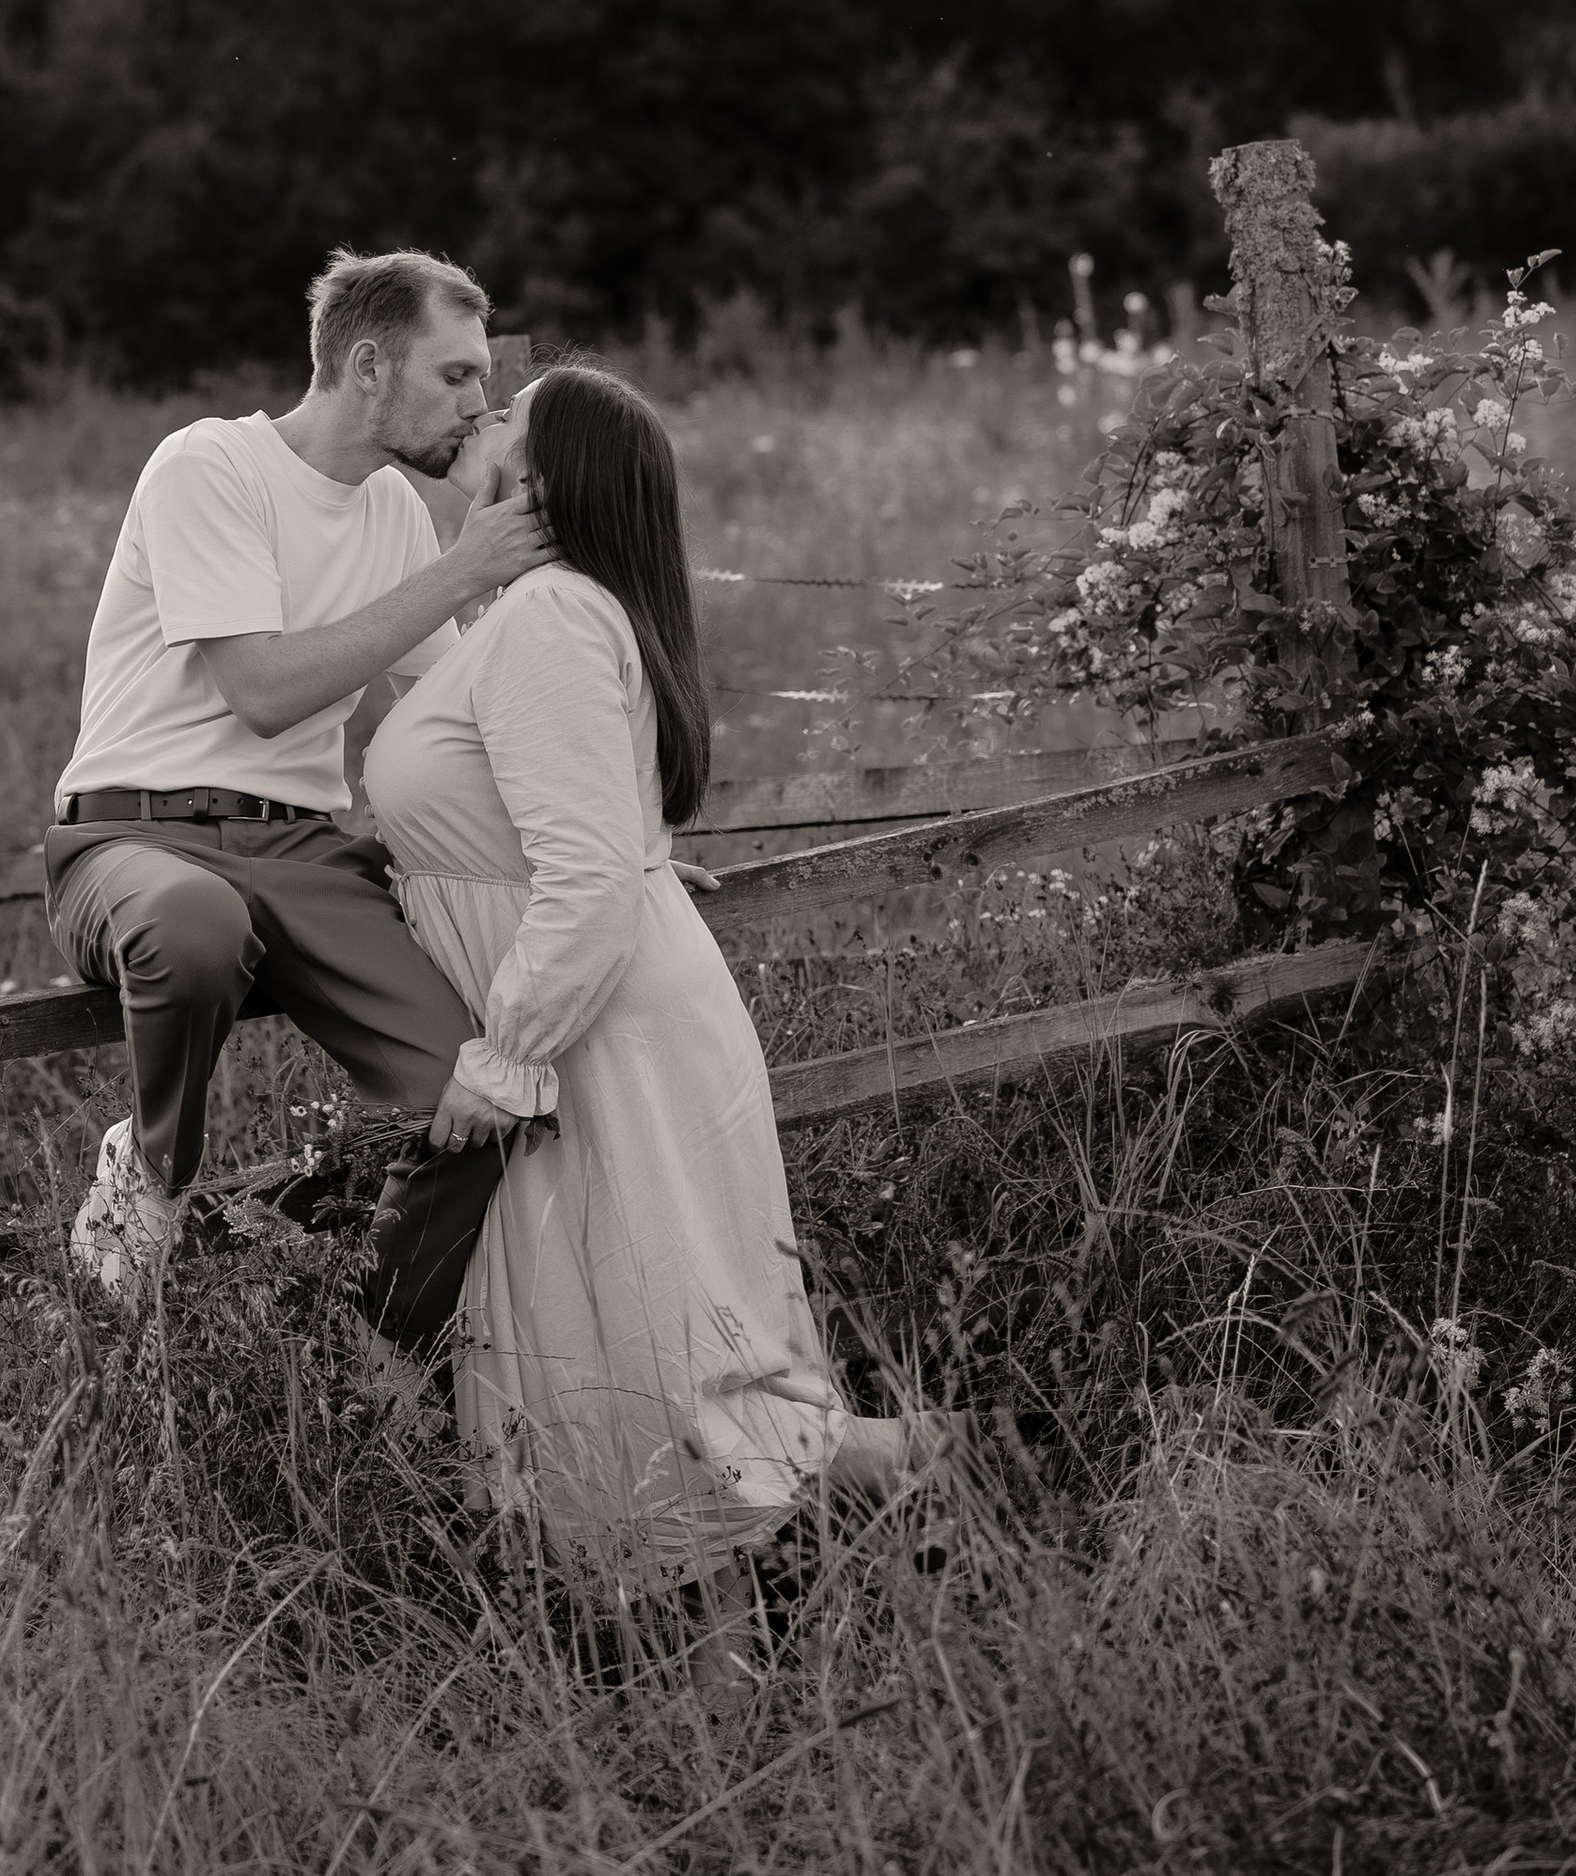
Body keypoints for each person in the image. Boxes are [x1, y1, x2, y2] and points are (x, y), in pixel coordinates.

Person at [362, 363, 941, 1644]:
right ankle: (739, 1643)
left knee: (655, 1352)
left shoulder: (549, 615)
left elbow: (581, 880)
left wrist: (508, 1055)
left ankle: (936, 1494)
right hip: (589, 1016)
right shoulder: (532, 610)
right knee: (642, 1344)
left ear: (545, 474)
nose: (482, 416)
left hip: (584, 1035)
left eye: (507, 413)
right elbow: (573, 832)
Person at [47, 245, 553, 1347]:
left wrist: (599, 845)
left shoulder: (395, 513)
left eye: (481, 377)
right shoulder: (208, 464)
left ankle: (362, 1358)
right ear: (368, 366)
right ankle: (150, 1171)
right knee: (194, 923)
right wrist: (463, 570)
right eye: (456, 375)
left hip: (302, 853)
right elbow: (264, 692)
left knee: (473, 1096)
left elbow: (459, 721)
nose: (480, 403)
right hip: (134, 839)